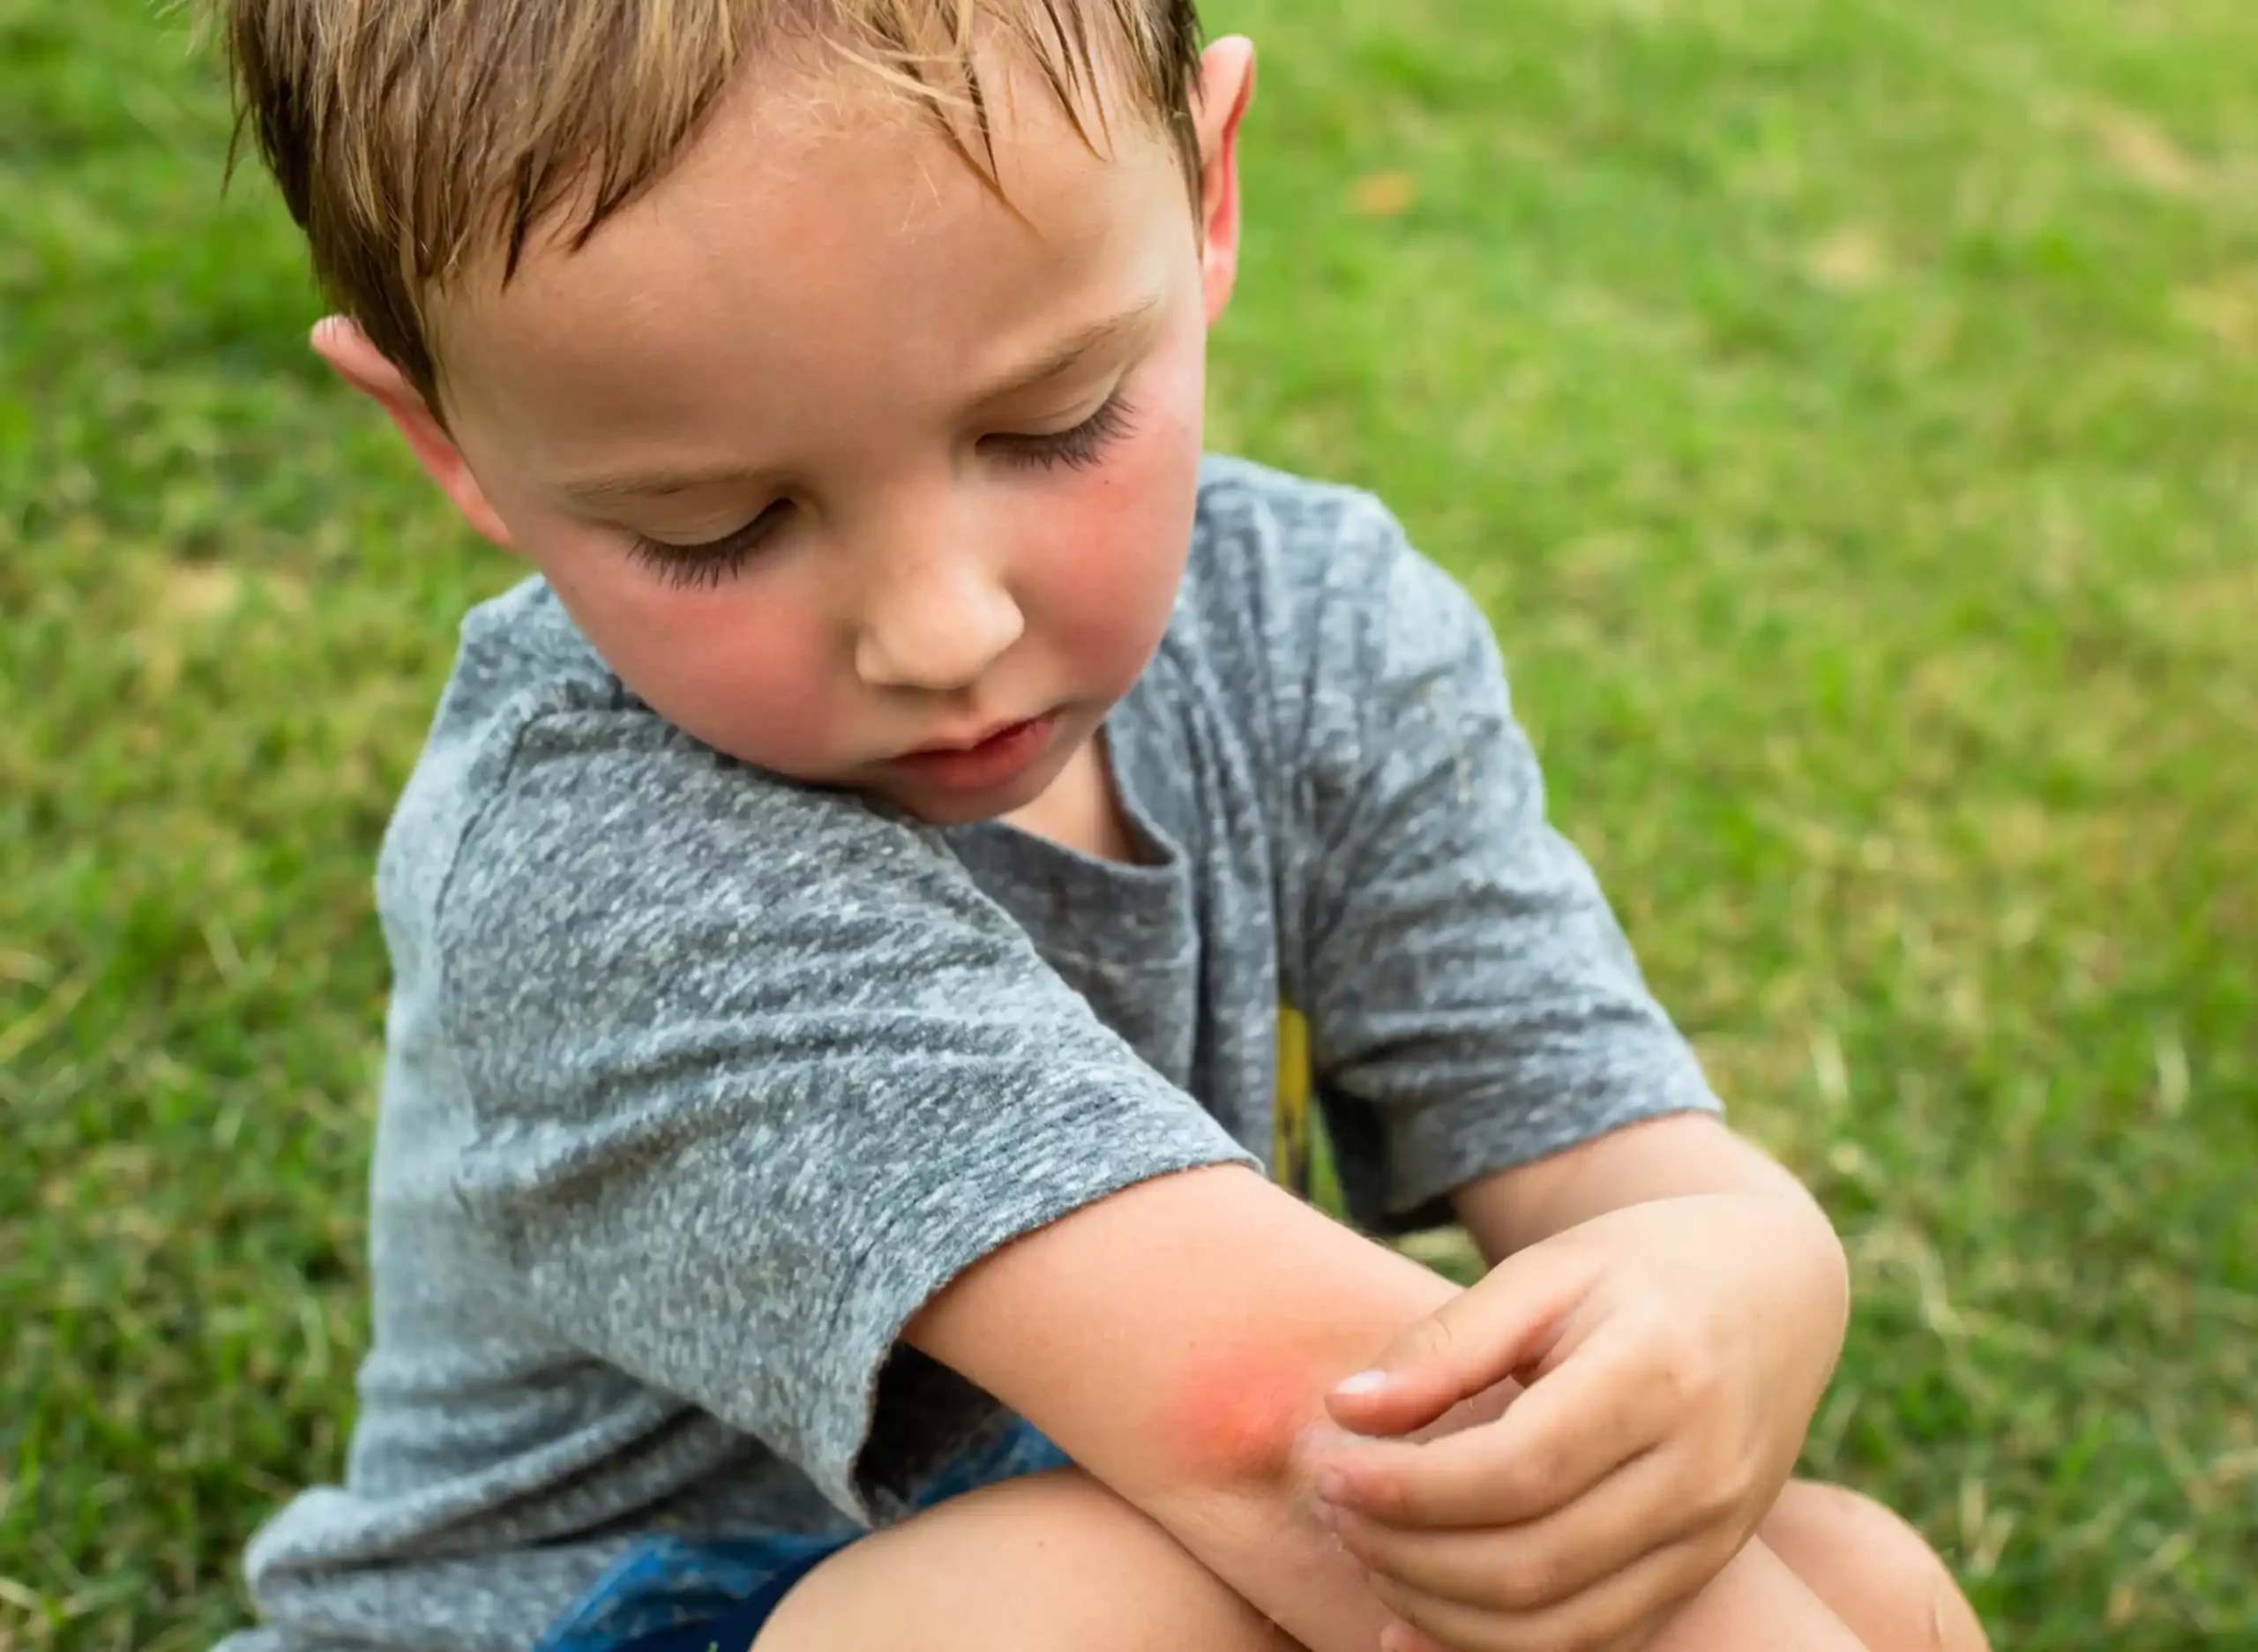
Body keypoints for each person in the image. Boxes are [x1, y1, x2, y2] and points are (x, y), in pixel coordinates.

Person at [209, 3, 1988, 1649]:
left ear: (1204, 194)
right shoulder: (597, 865)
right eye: (713, 525)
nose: (941, 629)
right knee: (1091, 1600)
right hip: (624, 1623)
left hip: (1099, 1548)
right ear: (446, 435)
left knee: (1866, 1586)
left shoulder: (1312, 632)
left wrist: (1745, 1263)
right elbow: (1303, 1456)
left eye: (1049, 421)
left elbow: (1615, 1150)